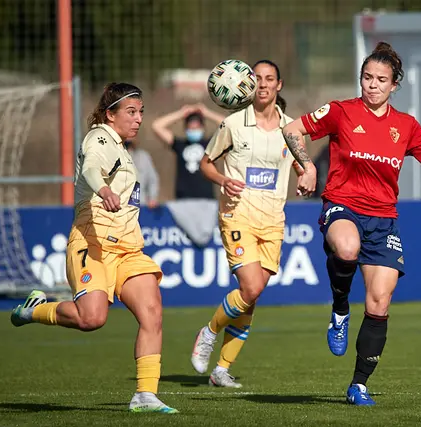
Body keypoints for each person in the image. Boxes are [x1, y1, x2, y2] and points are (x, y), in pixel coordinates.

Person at [281, 42, 421, 405]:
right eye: (367, 77)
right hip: (342, 206)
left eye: (381, 80)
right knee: (347, 249)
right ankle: (340, 307)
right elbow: (291, 130)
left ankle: (358, 385)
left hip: (384, 220)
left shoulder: (406, 125)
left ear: (395, 85)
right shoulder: (340, 111)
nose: (373, 85)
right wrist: (308, 165)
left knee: (380, 305)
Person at [10, 83, 178, 414]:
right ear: (109, 114)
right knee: (92, 319)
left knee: (152, 312)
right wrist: (103, 189)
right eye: (131, 111)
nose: (139, 118)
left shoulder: (124, 150)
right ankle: (35, 309)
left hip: (129, 250)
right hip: (93, 243)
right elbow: (90, 168)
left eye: (141, 111)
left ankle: (145, 395)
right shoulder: (99, 138)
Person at [189, 60, 314, 388]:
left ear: (279, 85)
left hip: (273, 220)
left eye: (269, 78)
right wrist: (221, 180)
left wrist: (307, 175)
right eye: (257, 78)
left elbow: (303, 164)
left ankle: (221, 370)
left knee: (251, 295)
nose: (263, 83)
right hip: (237, 214)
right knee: (251, 287)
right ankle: (209, 332)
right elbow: (205, 163)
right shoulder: (233, 124)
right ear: (248, 83)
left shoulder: (292, 129)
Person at [151, 103, 225, 199]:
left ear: (202, 128)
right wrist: (180, 114)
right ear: (185, 129)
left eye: (196, 128)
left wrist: (207, 113)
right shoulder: (180, 145)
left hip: (207, 200)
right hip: (183, 199)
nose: (193, 130)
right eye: (191, 128)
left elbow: (227, 125)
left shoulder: (210, 145)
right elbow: (157, 126)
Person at [125, 139, 160, 208]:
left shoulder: (143, 156)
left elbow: (153, 180)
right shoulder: (110, 155)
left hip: (141, 205)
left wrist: (152, 198)